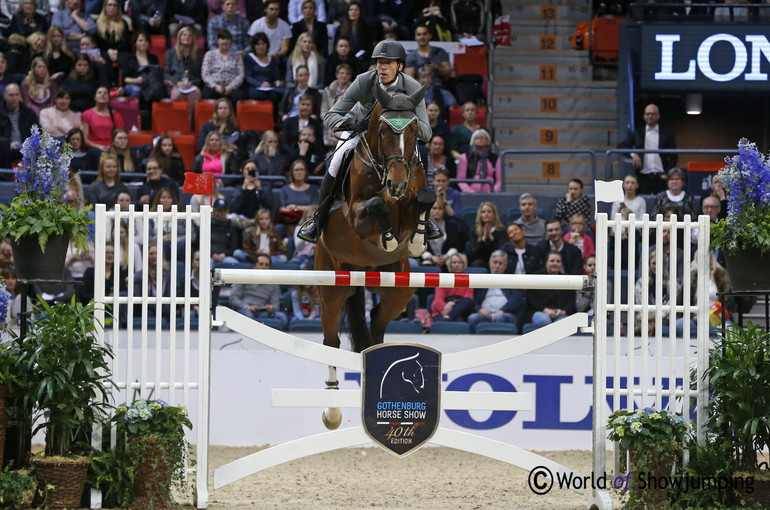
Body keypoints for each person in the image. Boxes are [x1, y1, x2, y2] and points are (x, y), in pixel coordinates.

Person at [298, 39, 438, 243]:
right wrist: (351, 122)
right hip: (360, 132)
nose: (382, 67)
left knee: (416, 158)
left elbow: (426, 133)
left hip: (396, 137)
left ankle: (427, 217)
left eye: (388, 63)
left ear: (399, 66)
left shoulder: (413, 88)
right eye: (379, 62)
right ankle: (319, 219)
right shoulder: (364, 81)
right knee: (336, 163)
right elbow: (330, 116)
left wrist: (410, 123)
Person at [618, 103, 678, 195]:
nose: (650, 116)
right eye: (648, 114)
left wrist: (667, 173)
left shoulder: (666, 133)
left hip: (661, 176)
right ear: (644, 116)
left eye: (653, 114)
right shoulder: (638, 132)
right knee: (644, 204)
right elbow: (622, 146)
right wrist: (633, 155)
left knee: (661, 206)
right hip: (643, 177)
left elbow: (674, 156)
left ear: (658, 116)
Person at [467, 250, 525, 333]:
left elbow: (517, 299)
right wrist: (479, 309)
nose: (497, 266)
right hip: (484, 316)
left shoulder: (512, 280)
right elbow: (473, 300)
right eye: (495, 262)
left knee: (500, 318)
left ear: (505, 266)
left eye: (500, 263)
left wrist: (502, 310)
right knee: (473, 318)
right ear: (490, 264)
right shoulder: (482, 281)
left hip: (505, 314)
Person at [229, 253, 289, 330]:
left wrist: (271, 308)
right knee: (248, 316)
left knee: (282, 317)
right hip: (245, 310)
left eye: (267, 265)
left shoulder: (274, 284)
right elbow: (233, 299)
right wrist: (247, 307)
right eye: (261, 264)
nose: (264, 267)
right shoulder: (243, 277)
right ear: (254, 266)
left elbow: (276, 305)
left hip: (263, 312)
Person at [523, 251, 577, 333]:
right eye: (552, 261)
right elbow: (530, 300)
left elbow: (571, 303)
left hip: (561, 315)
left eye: (558, 261)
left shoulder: (567, 280)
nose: (555, 263)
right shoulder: (536, 277)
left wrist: (563, 312)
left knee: (563, 323)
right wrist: (545, 310)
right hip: (540, 312)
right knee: (544, 320)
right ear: (546, 263)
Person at [163, 25, 203, 120]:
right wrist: (176, 82)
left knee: (196, 94)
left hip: (192, 86)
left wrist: (192, 83)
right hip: (176, 85)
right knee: (176, 94)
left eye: (189, 36)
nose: (187, 37)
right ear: (179, 38)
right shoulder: (171, 53)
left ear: (193, 39)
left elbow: (200, 75)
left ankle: (190, 123)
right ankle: (176, 121)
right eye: (184, 35)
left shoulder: (198, 55)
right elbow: (166, 72)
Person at [118, 30, 165, 104]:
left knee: (157, 90)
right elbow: (125, 78)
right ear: (135, 43)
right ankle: (133, 113)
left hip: (149, 84)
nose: (143, 43)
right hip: (133, 83)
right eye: (140, 40)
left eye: (146, 41)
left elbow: (156, 74)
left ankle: (152, 114)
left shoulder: (153, 58)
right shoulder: (128, 58)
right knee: (137, 91)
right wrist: (136, 80)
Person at [417, 200, 467, 269]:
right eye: (434, 208)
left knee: (453, 263)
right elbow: (418, 246)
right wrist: (431, 257)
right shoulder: (421, 227)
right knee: (426, 264)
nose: (437, 211)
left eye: (440, 208)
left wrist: (445, 257)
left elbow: (455, 246)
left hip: (448, 259)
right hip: (428, 259)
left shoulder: (451, 227)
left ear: (443, 211)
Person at [201, 29, 245, 102]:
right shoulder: (209, 55)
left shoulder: (237, 56)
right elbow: (205, 74)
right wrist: (215, 86)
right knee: (206, 94)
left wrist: (230, 87)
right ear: (217, 40)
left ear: (230, 41)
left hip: (231, 88)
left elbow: (240, 75)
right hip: (213, 87)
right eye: (222, 39)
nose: (225, 41)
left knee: (238, 95)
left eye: (227, 39)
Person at [0, 83, 37, 168]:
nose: (14, 98)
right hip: (6, 148)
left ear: (20, 96)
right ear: (5, 96)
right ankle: (6, 179)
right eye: (11, 95)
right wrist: (9, 143)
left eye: (16, 95)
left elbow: (37, 133)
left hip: (26, 147)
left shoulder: (29, 113)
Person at [430, 252, 475, 323]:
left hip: (461, 311)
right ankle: (449, 317)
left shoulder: (469, 280)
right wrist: (448, 308)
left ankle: (450, 316)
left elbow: (468, 300)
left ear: (464, 264)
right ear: (450, 265)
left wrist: (452, 304)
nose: (457, 265)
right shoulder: (443, 280)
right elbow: (438, 301)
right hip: (443, 311)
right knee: (444, 322)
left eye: (460, 262)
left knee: (468, 301)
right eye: (454, 262)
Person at [277, 159, 319, 234]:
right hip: (289, 223)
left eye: (301, 170)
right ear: (292, 172)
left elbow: (314, 208)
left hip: (308, 222)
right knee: (279, 228)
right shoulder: (284, 190)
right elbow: (282, 209)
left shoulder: (313, 190)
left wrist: (295, 207)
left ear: (305, 172)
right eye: (296, 170)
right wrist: (304, 208)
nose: (299, 172)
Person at [93, 0, 130, 84]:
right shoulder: (98, 23)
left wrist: (116, 50)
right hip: (103, 50)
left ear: (117, 8)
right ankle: (107, 85)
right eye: (109, 5)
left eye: (114, 6)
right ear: (105, 7)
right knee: (103, 58)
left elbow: (126, 42)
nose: (112, 8)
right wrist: (108, 50)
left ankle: (122, 86)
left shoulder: (123, 23)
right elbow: (97, 42)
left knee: (124, 58)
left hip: (120, 51)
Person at [456, 128, 501, 193]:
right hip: (470, 194)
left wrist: (492, 192)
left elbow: (499, 181)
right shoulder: (465, 157)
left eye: (483, 137)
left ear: (488, 141)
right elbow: (460, 179)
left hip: (491, 194)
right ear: (472, 141)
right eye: (477, 137)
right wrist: (470, 192)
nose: (480, 139)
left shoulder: (495, 158)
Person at [243, 32, 283, 102]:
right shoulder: (249, 58)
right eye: (258, 44)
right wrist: (260, 84)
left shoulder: (272, 60)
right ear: (254, 46)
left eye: (263, 44)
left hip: (270, 87)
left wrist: (279, 82)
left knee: (281, 93)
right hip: (255, 87)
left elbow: (276, 77)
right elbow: (248, 77)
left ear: (267, 45)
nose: (261, 47)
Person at [81, 85, 122, 151]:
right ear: (95, 97)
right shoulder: (86, 114)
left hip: (112, 147)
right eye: (99, 93)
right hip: (93, 147)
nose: (102, 95)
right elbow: (85, 139)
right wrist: (98, 146)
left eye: (105, 93)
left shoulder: (116, 115)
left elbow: (120, 136)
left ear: (108, 98)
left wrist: (110, 147)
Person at [320, 62, 352, 146]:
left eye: (347, 74)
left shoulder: (354, 91)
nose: (344, 76)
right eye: (342, 73)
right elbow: (323, 112)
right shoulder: (327, 90)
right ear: (337, 74)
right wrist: (333, 120)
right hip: (330, 121)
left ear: (350, 76)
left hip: (347, 122)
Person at [466, 201, 506, 268]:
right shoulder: (473, 231)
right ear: (480, 215)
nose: (486, 214)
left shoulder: (501, 230)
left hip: (497, 261)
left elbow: (501, 251)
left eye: (489, 212)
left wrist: (491, 238)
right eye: (483, 212)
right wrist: (484, 239)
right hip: (480, 262)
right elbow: (473, 254)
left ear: (494, 214)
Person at [210, 198, 241, 265]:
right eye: (219, 210)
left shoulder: (231, 227)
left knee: (234, 263)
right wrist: (212, 254)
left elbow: (234, 247)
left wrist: (224, 254)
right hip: (209, 256)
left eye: (224, 210)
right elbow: (199, 245)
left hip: (225, 256)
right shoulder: (207, 225)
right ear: (214, 211)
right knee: (205, 264)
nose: (222, 213)